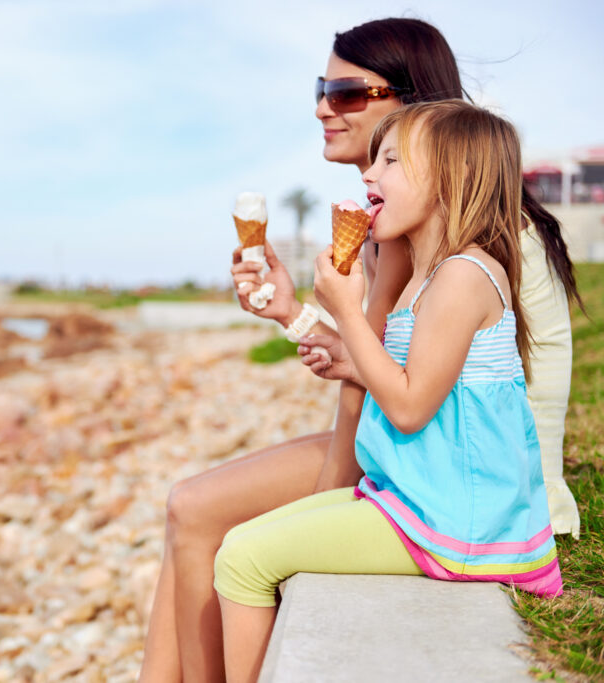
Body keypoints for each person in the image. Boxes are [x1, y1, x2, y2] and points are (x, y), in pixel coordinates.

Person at [138, 17, 580, 683]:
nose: (322, 106)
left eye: (346, 92)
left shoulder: (463, 242)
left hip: (470, 486)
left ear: (411, 106)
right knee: (190, 508)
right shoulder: (411, 228)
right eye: (322, 88)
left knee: (198, 512)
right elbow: (376, 357)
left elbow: (381, 389)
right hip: (431, 457)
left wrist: (330, 498)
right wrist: (289, 311)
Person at [213, 99, 562, 683]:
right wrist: (290, 311)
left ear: (454, 180)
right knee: (245, 536)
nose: (370, 175)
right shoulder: (427, 274)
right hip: (418, 498)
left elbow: (405, 406)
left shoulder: (463, 276)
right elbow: (368, 365)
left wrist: (347, 309)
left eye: (392, 161)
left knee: (241, 559)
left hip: (456, 521)